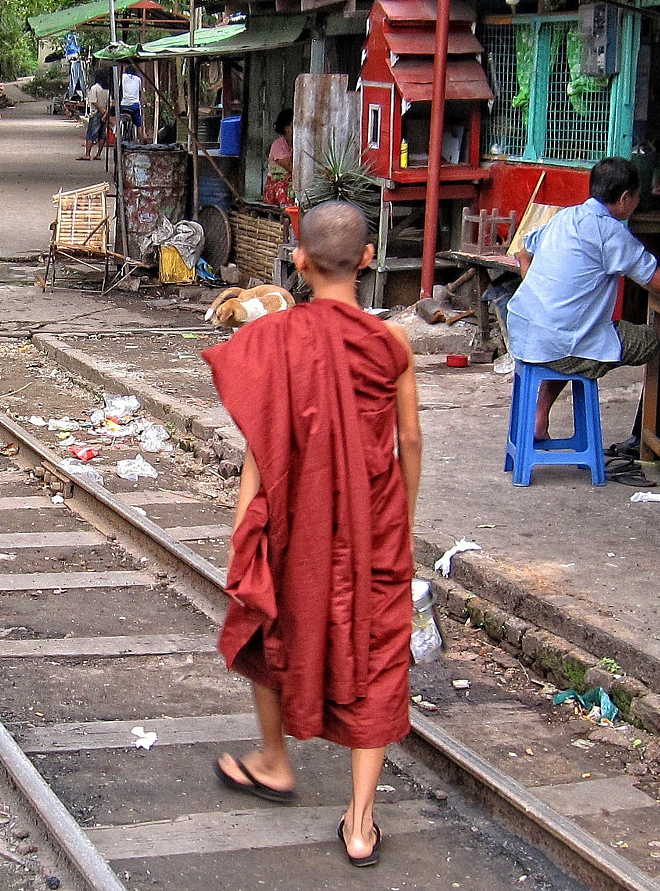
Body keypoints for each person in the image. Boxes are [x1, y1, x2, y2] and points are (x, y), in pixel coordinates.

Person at [202, 200, 422, 868]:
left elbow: (260, 443)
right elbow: (409, 439)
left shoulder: (271, 340)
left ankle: (274, 760)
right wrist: (401, 519)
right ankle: (359, 823)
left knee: (267, 619)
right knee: (379, 653)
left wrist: (245, 523)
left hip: (292, 515)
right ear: (367, 260)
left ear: (298, 260)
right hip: (373, 522)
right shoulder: (391, 343)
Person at [507, 157, 660, 442]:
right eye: (637, 197)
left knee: (573, 338)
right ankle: (653, 436)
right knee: (654, 339)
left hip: (525, 332)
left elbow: (524, 250)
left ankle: (538, 419)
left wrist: (535, 282)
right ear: (626, 197)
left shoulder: (565, 217)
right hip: (562, 341)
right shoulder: (611, 233)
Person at [264, 108, 295, 206]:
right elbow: (291, 167)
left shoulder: (295, 144)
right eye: (293, 124)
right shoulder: (279, 145)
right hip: (279, 188)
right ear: (286, 128)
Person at [79, 77, 111, 161]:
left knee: (91, 134)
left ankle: (87, 154)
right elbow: (110, 103)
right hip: (105, 113)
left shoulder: (94, 88)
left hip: (96, 113)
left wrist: (101, 110)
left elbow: (93, 101)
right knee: (102, 134)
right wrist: (105, 113)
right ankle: (98, 154)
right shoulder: (107, 90)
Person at [119, 63, 144, 132]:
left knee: (120, 119)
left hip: (124, 105)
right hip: (135, 105)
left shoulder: (122, 77)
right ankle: (140, 139)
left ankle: (118, 134)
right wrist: (144, 102)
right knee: (139, 124)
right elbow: (141, 92)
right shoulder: (138, 79)